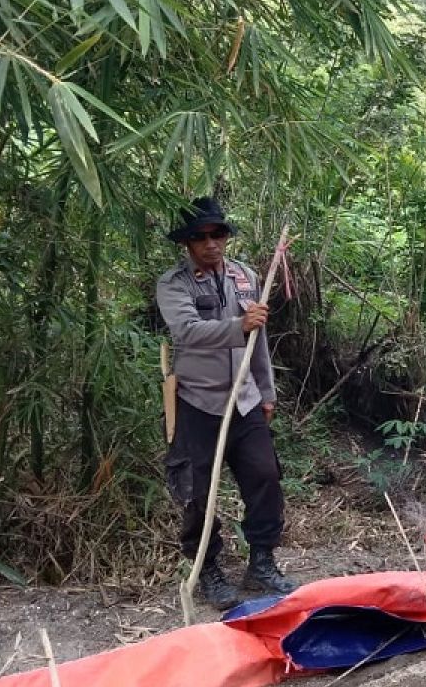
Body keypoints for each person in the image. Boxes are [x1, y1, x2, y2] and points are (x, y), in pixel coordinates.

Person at [156, 197, 295, 610]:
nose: (211, 243)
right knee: (199, 491)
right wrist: (238, 325)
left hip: (245, 400)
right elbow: (186, 331)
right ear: (187, 243)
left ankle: (262, 560)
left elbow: (259, 341)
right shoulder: (175, 284)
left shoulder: (245, 277)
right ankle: (209, 570)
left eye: (217, 234)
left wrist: (266, 392)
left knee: (265, 478)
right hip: (198, 403)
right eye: (200, 237)